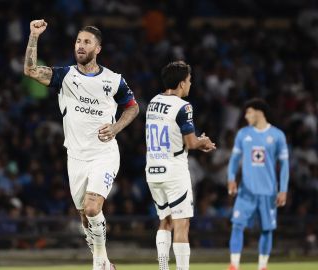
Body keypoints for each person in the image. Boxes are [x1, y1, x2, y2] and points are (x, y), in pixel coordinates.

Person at [23, 20, 139, 270]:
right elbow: (31, 70)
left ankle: (98, 263)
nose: (81, 45)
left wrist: (116, 127)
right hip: (75, 157)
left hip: (103, 153)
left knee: (92, 206)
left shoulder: (113, 80)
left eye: (87, 42)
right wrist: (34, 36)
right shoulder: (65, 76)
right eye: (78, 41)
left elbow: (133, 107)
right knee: (85, 220)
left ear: (98, 48)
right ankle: (106, 262)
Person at [145, 61, 216, 270]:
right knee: (181, 224)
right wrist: (203, 142)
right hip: (174, 170)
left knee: (164, 221)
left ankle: (163, 267)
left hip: (153, 169)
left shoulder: (153, 102)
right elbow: (191, 143)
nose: (191, 84)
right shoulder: (183, 106)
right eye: (189, 80)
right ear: (181, 83)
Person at [227, 98, 289, 270]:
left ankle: (262, 266)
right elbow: (234, 160)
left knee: (267, 229)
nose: (246, 116)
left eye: (249, 112)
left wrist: (283, 190)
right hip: (246, 191)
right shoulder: (243, 134)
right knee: (237, 225)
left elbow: (284, 165)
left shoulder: (277, 135)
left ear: (259, 112)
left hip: (268, 192)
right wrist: (231, 179)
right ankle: (234, 265)